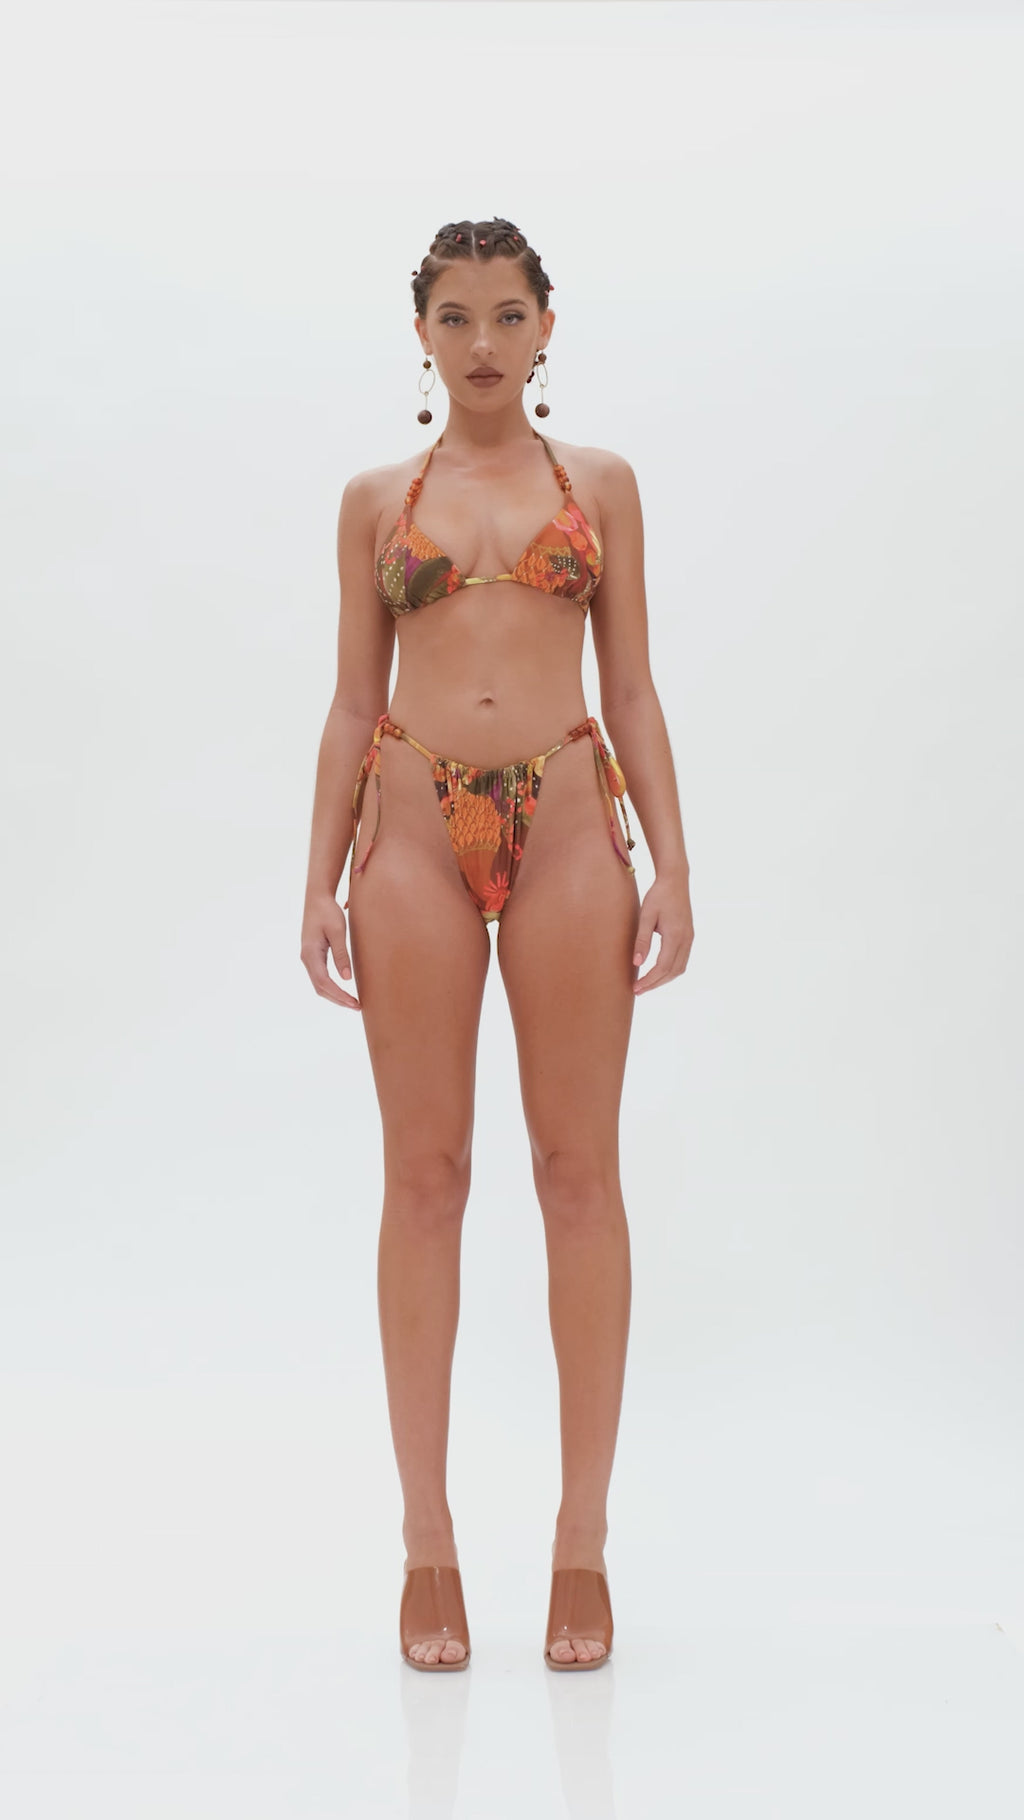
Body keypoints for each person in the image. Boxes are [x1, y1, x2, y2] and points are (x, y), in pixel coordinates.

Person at [300, 216, 694, 1672]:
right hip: (409, 826)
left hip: (573, 824)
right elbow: (354, 699)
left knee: (578, 1173)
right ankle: (427, 1542)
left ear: (545, 328)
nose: (482, 344)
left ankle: (581, 1541)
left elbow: (631, 687)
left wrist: (675, 862)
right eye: (455, 318)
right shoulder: (373, 501)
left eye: (507, 316)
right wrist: (317, 875)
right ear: (421, 336)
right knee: (426, 1177)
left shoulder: (601, 487)